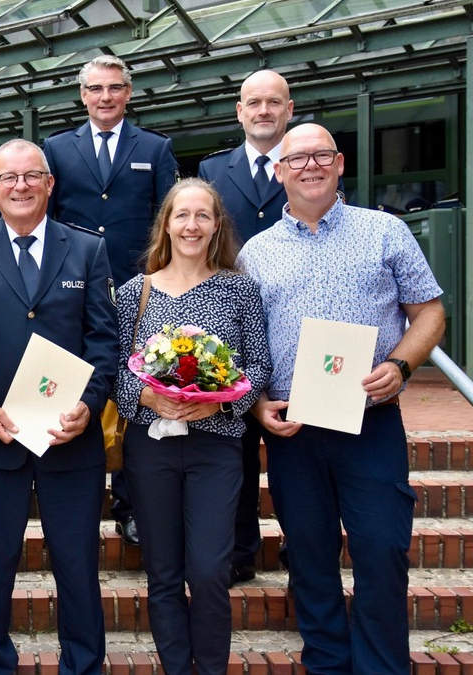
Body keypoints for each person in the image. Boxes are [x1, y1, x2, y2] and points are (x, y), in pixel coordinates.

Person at [238, 123, 445, 675]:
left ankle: (381, 666)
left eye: (321, 156)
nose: (310, 166)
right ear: (278, 171)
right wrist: (257, 404)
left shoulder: (386, 231)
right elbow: (244, 340)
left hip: (370, 422)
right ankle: (327, 662)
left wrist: (400, 365)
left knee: (381, 548)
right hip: (294, 428)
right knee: (308, 553)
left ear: (340, 162)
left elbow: (429, 312)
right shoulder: (255, 253)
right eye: (297, 158)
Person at [0, 139, 119, 675]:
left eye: (31, 176)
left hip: (71, 439)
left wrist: (89, 406)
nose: (21, 185)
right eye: (9, 177)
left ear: (49, 184)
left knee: (77, 565)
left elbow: (103, 342)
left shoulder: (87, 249)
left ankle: (83, 665)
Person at [112, 178, 270, 675]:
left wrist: (220, 406)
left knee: (207, 573)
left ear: (216, 225)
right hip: (151, 447)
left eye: (203, 216)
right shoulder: (135, 293)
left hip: (216, 448)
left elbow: (259, 366)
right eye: (182, 215)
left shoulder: (238, 288)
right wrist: (146, 394)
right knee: (162, 575)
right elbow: (116, 369)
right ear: (166, 224)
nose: (192, 225)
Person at [43, 54, 179, 546]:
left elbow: (167, 220)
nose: (105, 97)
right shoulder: (57, 149)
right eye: (96, 88)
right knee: (80, 385)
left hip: (139, 292)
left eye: (115, 88)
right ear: (83, 95)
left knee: (135, 393)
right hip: (73, 293)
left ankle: (130, 504)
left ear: (128, 93)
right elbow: (48, 220)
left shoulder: (156, 148)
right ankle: (68, 485)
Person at [197, 69, 293, 586]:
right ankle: (238, 550)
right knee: (233, 450)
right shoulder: (213, 169)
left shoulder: (305, 167)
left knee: (296, 448)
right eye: (253, 102)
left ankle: (300, 545)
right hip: (230, 331)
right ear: (239, 112)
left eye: (272, 103)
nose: (263, 111)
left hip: (291, 332)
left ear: (288, 110)